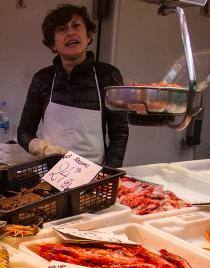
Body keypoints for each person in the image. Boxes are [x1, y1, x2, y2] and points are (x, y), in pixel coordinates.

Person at [17, 4, 129, 167]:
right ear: (52, 44)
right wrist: (40, 147)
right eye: (62, 29)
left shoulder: (108, 76)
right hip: (49, 174)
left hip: (94, 176)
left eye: (76, 26)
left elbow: (119, 133)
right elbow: (23, 132)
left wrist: (109, 173)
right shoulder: (43, 79)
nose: (70, 32)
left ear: (88, 35)